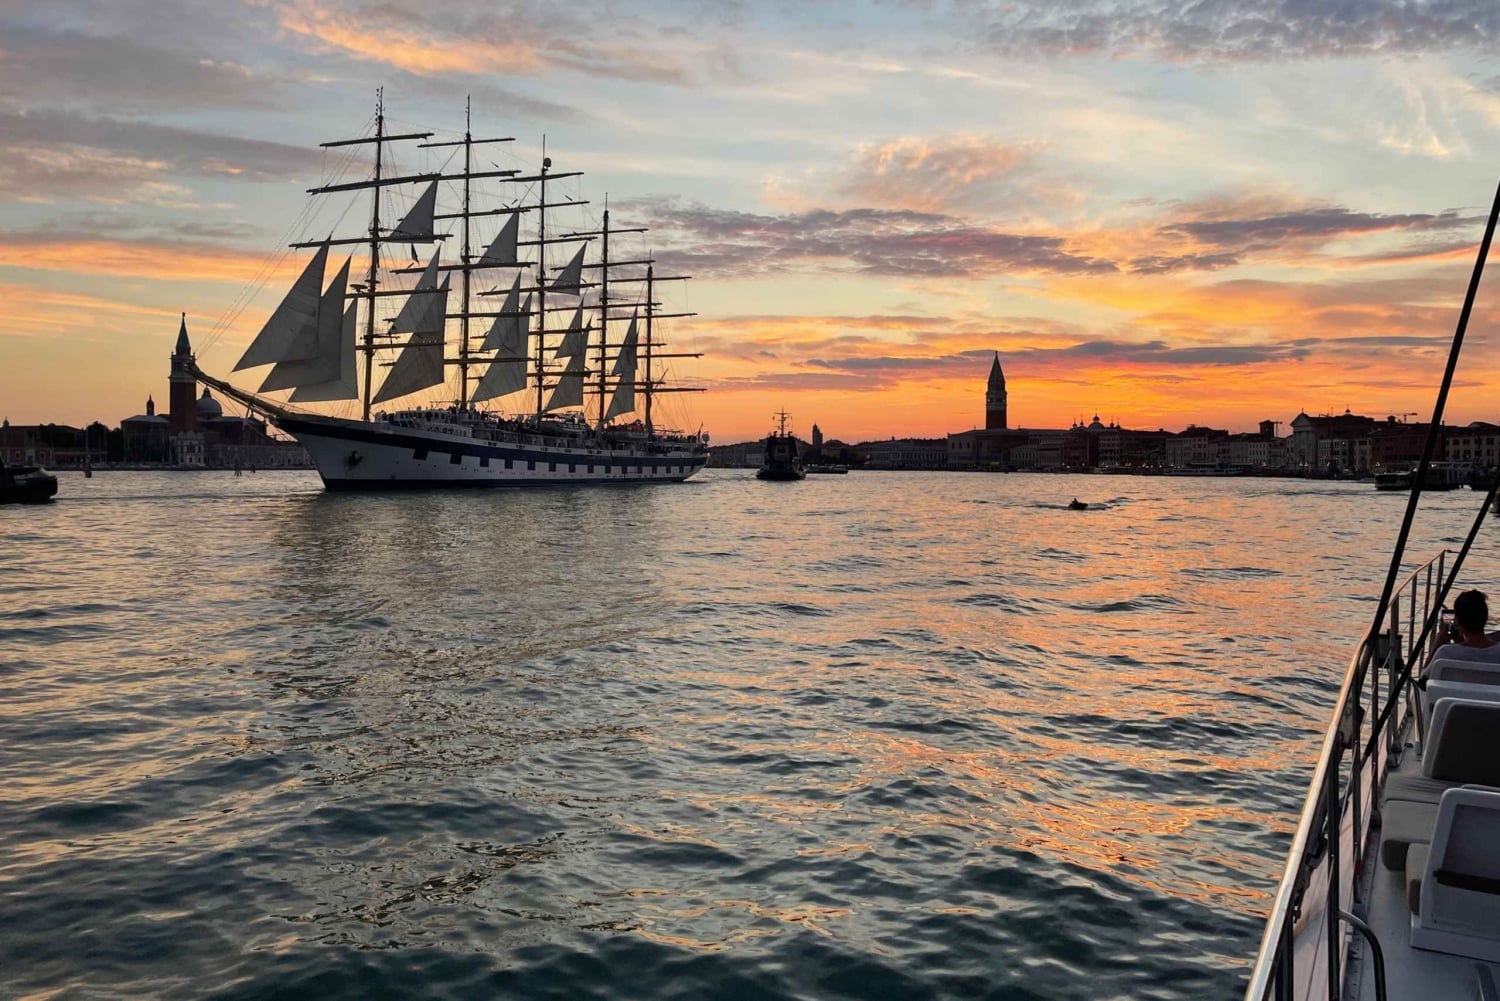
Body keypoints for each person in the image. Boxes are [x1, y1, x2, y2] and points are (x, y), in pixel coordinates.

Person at [1431, 589, 1500, 664]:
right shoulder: (1497, 652)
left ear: (1457, 620)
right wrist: (1460, 641)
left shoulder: (1446, 653)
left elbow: (1425, 674)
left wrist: (1440, 640)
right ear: (1485, 617)